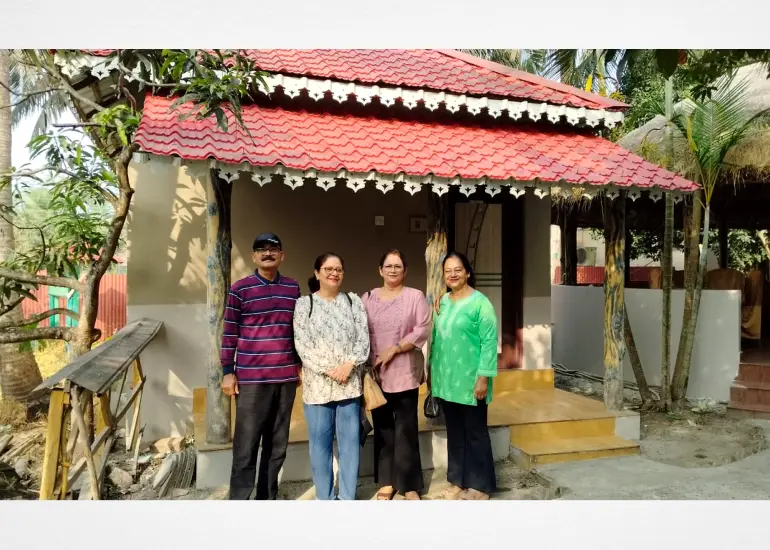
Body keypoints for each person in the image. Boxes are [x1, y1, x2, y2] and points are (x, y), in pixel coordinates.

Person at [220, 232, 302, 500]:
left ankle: (267, 498)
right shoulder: (240, 289)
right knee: (246, 443)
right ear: (253, 256)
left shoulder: (292, 288)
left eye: (273, 249)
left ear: (282, 255)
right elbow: (229, 332)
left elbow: (298, 331)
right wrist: (227, 372)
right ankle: (240, 499)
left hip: (285, 378)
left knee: (277, 444)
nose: (268, 253)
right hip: (251, 381)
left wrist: (298, 364)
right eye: (261, 249)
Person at [293, 253, 370, 500]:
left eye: (338, 269)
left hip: (349, 386)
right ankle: (324, 498)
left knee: (350, 446)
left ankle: (347, 497)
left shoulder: (352, 301)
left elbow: (363, 338)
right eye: (328, 269)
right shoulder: (304, 305)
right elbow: (302, 344)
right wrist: (330, 369)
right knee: (320, 447)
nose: (334, 273)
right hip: (318, 388)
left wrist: (348, 365)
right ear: (317, 273)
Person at [361, 250, 431, 501]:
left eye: (397, 266)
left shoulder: (415, 297)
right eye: (388, 266)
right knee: (383, 428)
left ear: (405, 270)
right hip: (377, 374)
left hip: (405, 372)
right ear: (380, 270)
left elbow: (422, 329)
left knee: (406, 428)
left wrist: (395, 349)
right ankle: (387, 481)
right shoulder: (367, 298)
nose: (393, 270)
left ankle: (410, 484)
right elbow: (360, 332)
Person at [428, 251, 498, 500]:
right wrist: (431, 373)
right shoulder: (442, 303)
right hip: (447, 381)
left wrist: (483, 377)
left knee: (475, 434)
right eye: (448, 271)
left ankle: (481, 487)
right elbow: (436, 340)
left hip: (471, 381)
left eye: (458, 270)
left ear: (467, 272)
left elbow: (489, 342)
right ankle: (458, 480)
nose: (453, 274)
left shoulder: (481, 304)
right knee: (456, 433)